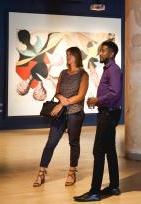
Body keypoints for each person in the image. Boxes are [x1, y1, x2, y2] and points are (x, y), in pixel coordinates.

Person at [33, 46, 89, 187]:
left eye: (70, 54)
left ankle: (72, 171)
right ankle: (41, 171)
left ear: (76, 56)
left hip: (75, 113)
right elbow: (57, 92)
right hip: (60, 114)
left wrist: (63, 103)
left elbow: (81, 96)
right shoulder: (63, 73)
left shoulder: (83, 74)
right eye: (66, 54)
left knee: (73, 143)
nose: (67, 57)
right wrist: (61, 100)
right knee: (51, 143)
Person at [74, 41, 122, 202]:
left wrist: (97, 100)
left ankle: (94, 192)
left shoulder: (113, 70)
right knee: (110, 150)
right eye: (100, 51)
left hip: (108, 114)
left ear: (112, 53)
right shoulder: (109, 69)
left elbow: (115, 93)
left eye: (103, 51)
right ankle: (114, 186)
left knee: (98, 151)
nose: (100, 54)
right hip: (108, 112)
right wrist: (98, 101)